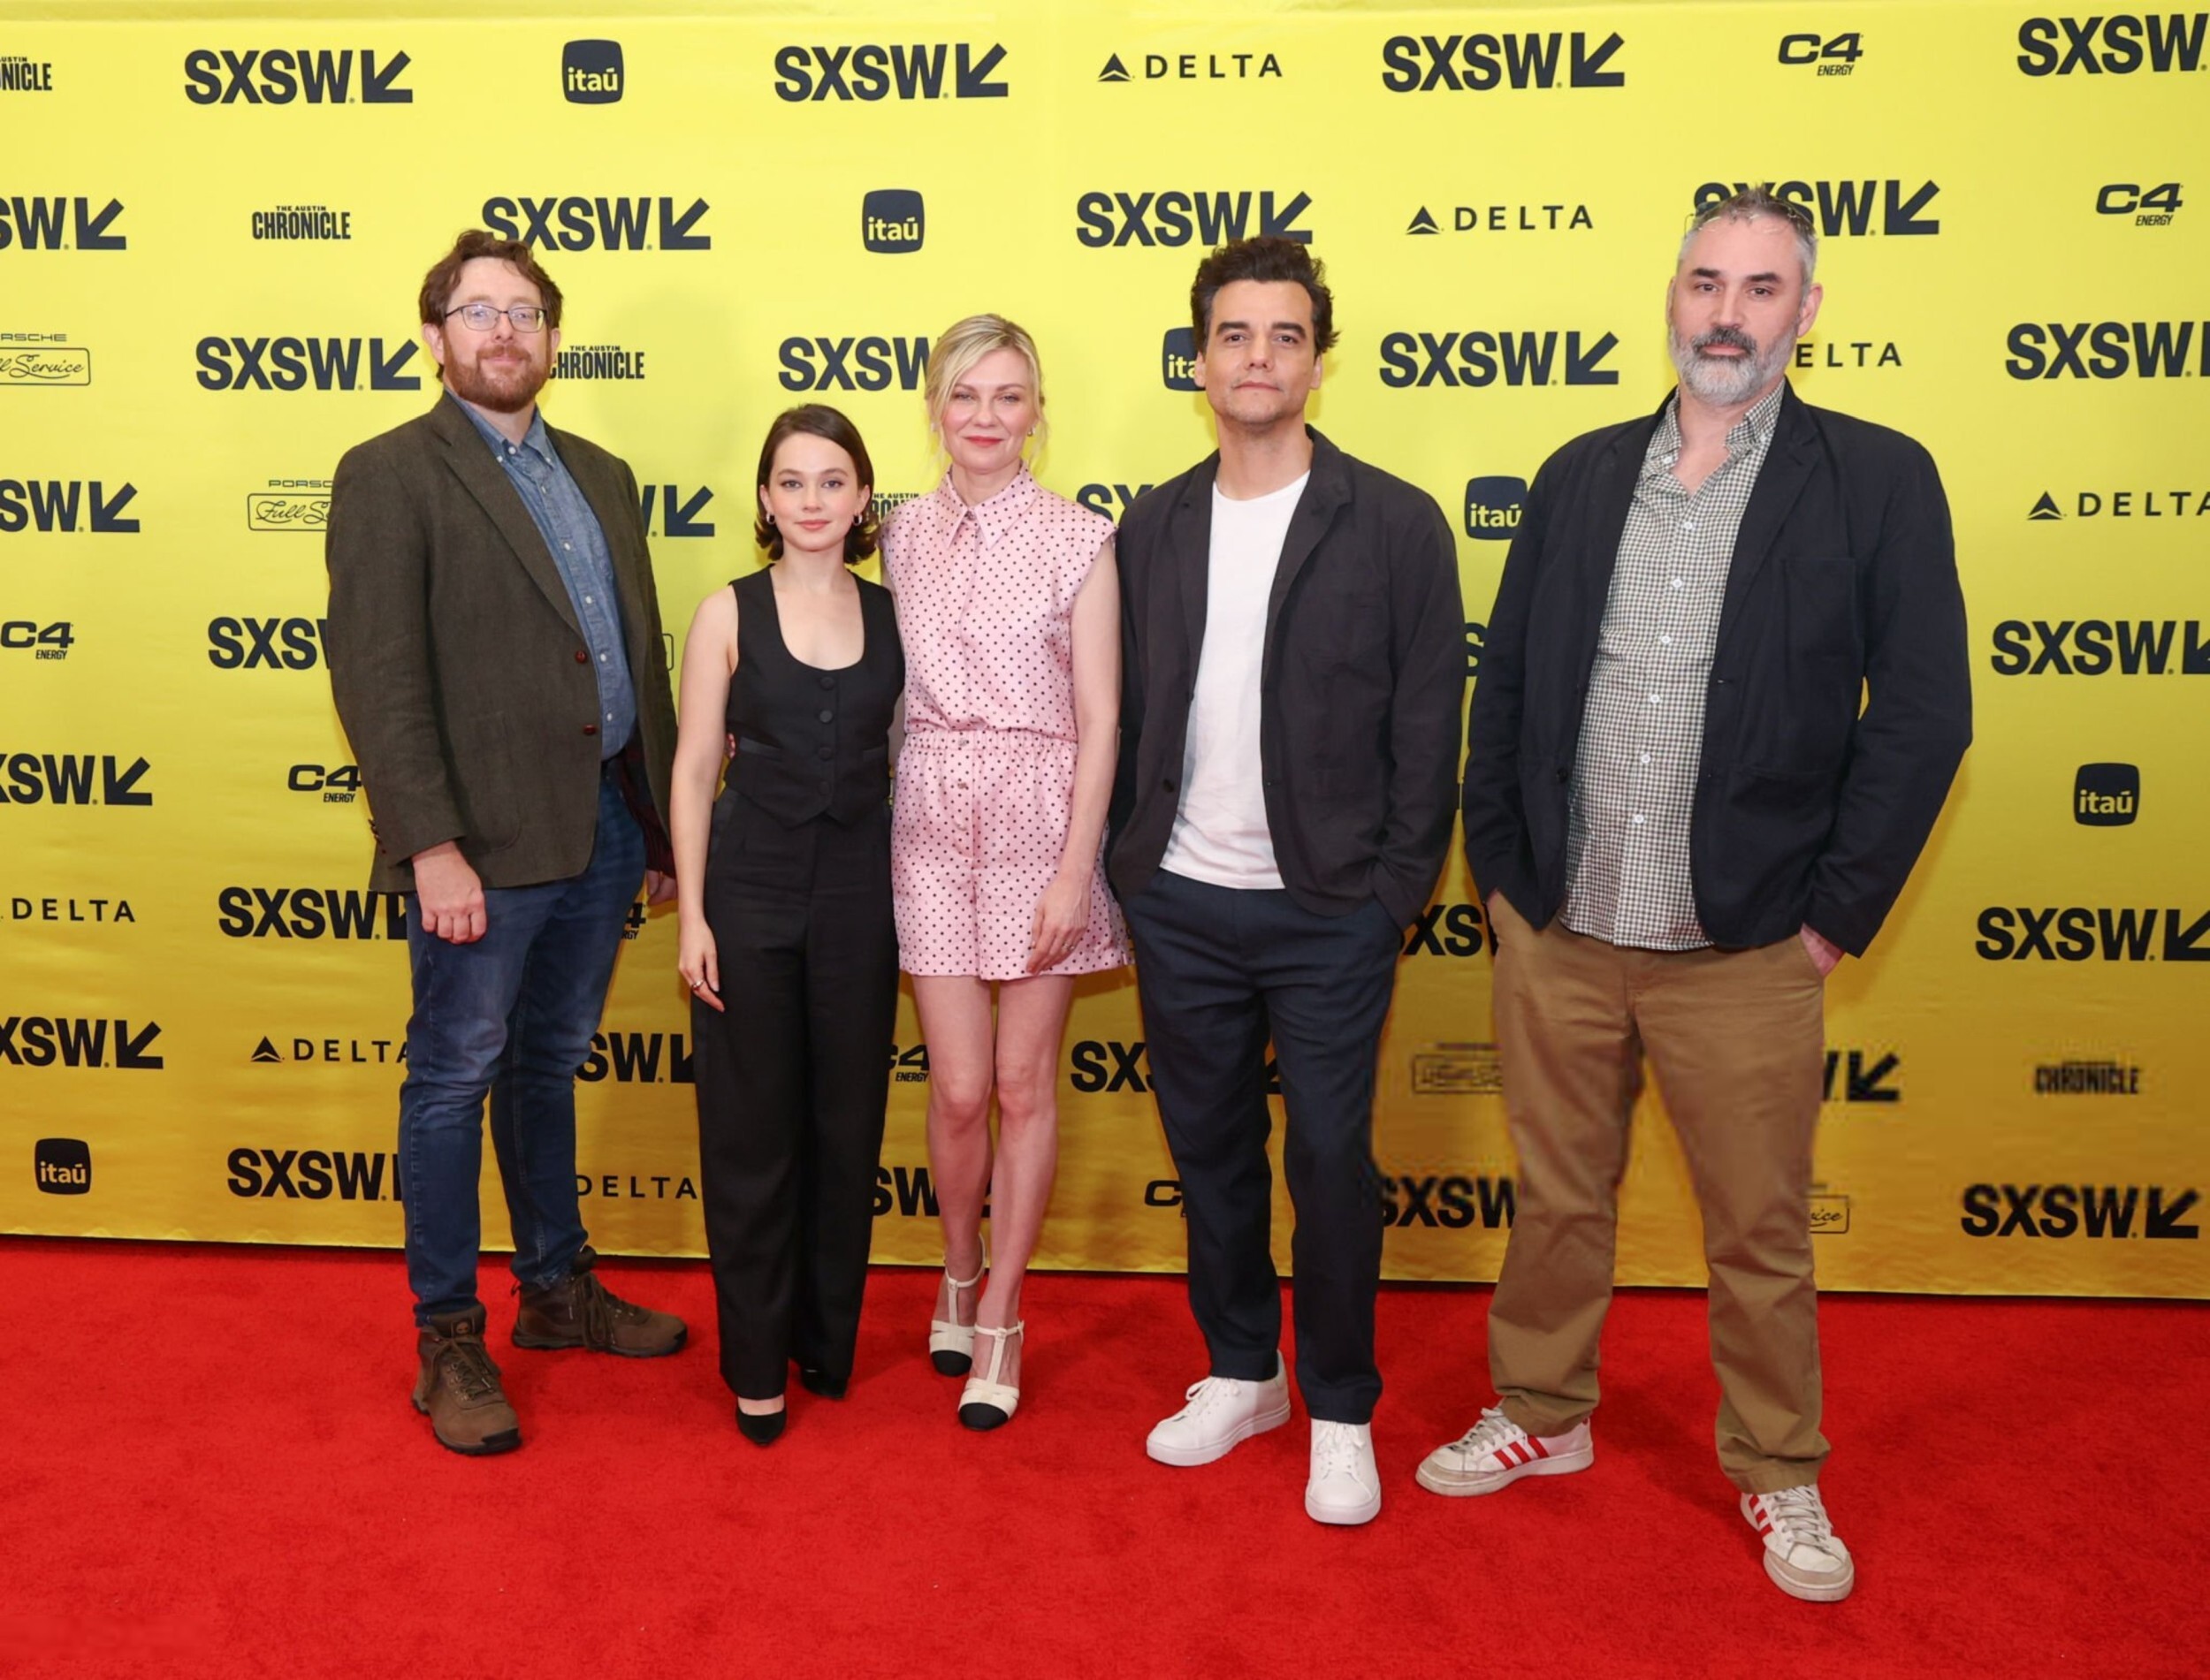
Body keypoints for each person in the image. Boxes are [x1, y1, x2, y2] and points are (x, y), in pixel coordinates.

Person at [1439, 186, 1971, 1600]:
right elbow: (1509, 686)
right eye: (1704, 283)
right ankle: (1542, 1411)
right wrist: (1501, 877)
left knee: (1759, 1232)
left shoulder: (1877, 478)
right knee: (1557, 1198)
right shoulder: (1578, 472)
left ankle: (1780, 1466)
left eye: (1759, 288)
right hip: (1563, 924)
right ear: (1671, 296)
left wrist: (1832, 915)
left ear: (1807, 311)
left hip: (1747, 939)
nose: (1726, 315)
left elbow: (1925, 715)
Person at [1111, 237, 1466, 1526]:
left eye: (1285, 335)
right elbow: (1120, 711)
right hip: (1182, 904)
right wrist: (1132, 874)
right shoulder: (1152, 525)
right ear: (1199, 359)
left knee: (1327, 1158)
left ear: (1319, 359)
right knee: (1209, 1152)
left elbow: (1428, 728)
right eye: (1234, 334)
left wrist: (1389, 897)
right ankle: (1242, 1368)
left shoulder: (1398, 523)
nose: (1258, 357)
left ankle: (1341, 1405)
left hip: (1331, 913)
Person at [324, 229, 686, 1458]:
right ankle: (446, 1337)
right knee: (451, 1079)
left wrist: (656, 824)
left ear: (554, 337)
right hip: (476, 846)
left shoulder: (605, 474)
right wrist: (429, 844)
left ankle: (556, 1288)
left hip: (601, 827)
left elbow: (637, 658)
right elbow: (377, 678)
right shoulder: (390, 473)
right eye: (478, 312)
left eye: (524, 312)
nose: (504, 332)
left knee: (547, 1067)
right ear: (435, 338)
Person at [883, 314, 1124, 1431]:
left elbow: (1102, 715)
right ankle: (958, 1265)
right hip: (929, 818)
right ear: (936, 407)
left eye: (1008, 395)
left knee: (1024, 1085)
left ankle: (1003, 1316)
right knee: (960, 1088)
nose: (986, 416)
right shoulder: (897, 532)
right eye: (966, 394)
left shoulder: (1081, 537)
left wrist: (1075, 871)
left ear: (1036, 412)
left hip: (1041, 819)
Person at [671, 406, 903, 1446]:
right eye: (793, 481)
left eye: (832, 480)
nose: (813, 500)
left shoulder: (895, 615)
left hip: (862, 897)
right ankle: (757, 1363)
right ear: (765, 497)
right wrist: (693, 915)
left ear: (863, 497)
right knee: (751, 1132)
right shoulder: (725, 610)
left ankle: (823, 1339)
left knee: (847, 1129)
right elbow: (692, 770)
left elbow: (908, 756)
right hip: (749, 891)